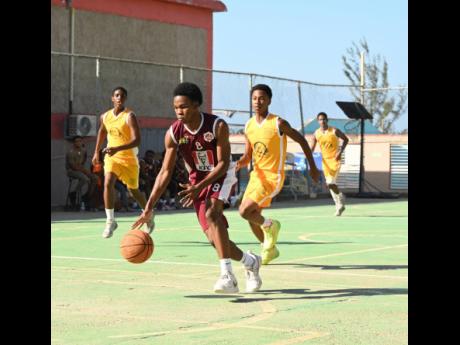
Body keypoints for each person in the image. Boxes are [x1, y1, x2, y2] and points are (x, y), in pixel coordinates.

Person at [132, 82, 262, 293]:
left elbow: (222, 164)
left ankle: (227, 276)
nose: (179, 112)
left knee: (212, 214)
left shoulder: (217, 126)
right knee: (215, 239)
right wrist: (149, 207)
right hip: (197, 180)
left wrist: (198, 186)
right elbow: (165, 172)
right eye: (175, 108)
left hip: (221, 174)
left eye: (183, 107)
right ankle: (250, 262)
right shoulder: (174, 133)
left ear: (196, 105)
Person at [236, 84, 320, 265]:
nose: (258, 102)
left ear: (269, 101)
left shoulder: (278, 123)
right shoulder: (249, 125)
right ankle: (270, 248)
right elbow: (248, 154)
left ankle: (271, 225)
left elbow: (303, 142)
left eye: (262, 98)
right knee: (251, 217)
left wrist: (312, 166)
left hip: (273, 177)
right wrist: (241, 162)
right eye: (255, 98)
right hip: (256, 176)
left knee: (244, 211)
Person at [92, 86, 154, 238]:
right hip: (112, 157)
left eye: (122, 96)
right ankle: (110, 221)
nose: (119, 98)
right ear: (112, 98)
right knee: (107, 183)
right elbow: (102, 132)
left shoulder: (129, 116)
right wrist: (96, 152)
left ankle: (148, 214)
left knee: (133, 190)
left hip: (129, 159)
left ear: (125, 99)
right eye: (117, 95)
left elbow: (137, 140)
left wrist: (117, 148)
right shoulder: (105, 116)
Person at [310, 112, 349, 216]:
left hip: (335, 160)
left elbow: (346, 139)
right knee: (330, 184)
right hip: (325, 162)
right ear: (318, 121)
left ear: (327, 120)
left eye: (324, 119)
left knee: (330, 183)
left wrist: (340, 152)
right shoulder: (316, 133)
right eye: (320, 120)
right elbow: (311, 148)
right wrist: (308, 156)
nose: (322, 121)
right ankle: (339, 205)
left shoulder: (334, 131)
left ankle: (340, 199)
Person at [66, 136, 98, 210]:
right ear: (74, 143)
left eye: (80, 141)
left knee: (95, 178)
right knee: (85, 179)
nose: (79, 143)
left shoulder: (83, 150)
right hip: (71, 171)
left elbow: (83, 161)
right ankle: (73, 193)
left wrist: (84, 170)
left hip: (81, 169)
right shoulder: (70, 152)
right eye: (77, 141)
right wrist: (85, 171)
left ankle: (87, 196)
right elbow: (73, 166)